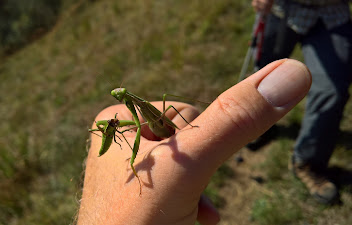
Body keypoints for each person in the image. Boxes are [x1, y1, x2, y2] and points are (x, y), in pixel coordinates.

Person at [77, 59, 311, 225]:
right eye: (117, 95)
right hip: (158, 129)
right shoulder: (132, 109)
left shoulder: (139, 107)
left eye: (120, 94)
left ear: (125, 95)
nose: (118, 96)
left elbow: (142, 127)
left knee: (166, 105)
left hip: (162, 125)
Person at [251, 0, 352, 204]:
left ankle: (308, 162)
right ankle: (258, 126)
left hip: (332, 14)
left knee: (332, 91)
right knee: (262, 77)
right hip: (280, 9)